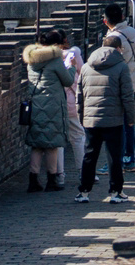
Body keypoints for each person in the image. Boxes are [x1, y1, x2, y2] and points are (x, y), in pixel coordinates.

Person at [76, 33, 135, 205]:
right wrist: (131, 118)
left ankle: (84, 192)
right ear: (118, 48)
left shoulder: (87, 67)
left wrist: (81, 116)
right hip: (113, 121)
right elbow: (127, 96)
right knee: (114, 157)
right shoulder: (121, 67)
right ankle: (116, 192)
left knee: (89, 156)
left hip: (91, 120)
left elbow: (80, 95)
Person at [23, 31, 75, 192]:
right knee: (52, 144)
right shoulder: (55, 61)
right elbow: (68, 81)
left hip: (36, 105)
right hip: (52, 106)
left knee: (37, 145)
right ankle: (51, 180)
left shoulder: (31, 61)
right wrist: (71, 68)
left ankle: (33, 180)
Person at [102, 3, 135, 166]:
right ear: (122, 17)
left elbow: (108, 62)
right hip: (132, 82)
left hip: (117, 85)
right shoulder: (133, 32)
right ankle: (129, 157)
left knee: (117, 126)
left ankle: (118, 160)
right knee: (129, 123)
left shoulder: (114, 38)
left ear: (105, 21)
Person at [58, 30, 87, 179]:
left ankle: (59, 174)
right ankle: (83, 171)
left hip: (55, 103)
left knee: (58, 141)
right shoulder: (73, 55)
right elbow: (83, 74)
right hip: (72, 102)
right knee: (78, 136)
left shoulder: (47, 58)